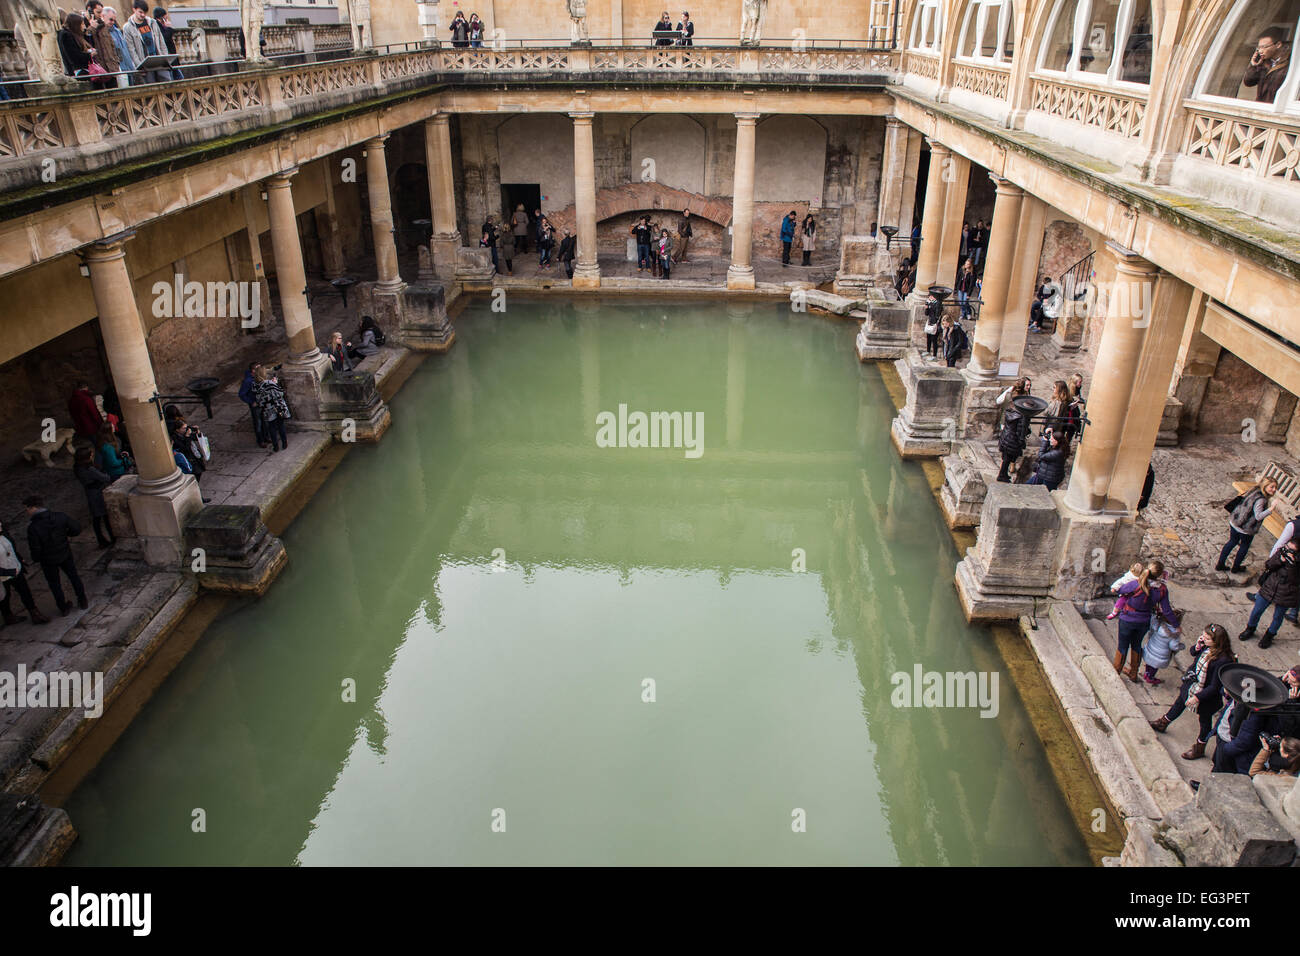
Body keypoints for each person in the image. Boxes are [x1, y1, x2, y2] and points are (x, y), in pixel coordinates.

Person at [1149, 623, 1234, 760]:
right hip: (1192, 684)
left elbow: (1214, 686)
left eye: (1207, 638)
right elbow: (1193, 653)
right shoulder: (1206, 647)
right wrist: (1198, 645)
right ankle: (1162, 723)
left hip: (1205, 696)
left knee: (1205, 721)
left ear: (1217, 641)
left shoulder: (1223, 661)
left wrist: (1198, 697)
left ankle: (1200, 747)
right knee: (1179, 703)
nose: (1203, 639)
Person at [24, 495, 88, 615]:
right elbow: (76, 528)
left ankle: (63, 607)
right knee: (73, 576)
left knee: (55, 584)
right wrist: (66, 535)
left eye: (27, 509)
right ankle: (82, 599)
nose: (27, 512)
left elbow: (35, 548)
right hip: (64, 552)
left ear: (32, 508)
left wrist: (37, 558)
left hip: (48, 560)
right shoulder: (60, 517)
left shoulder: (33, 528)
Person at [1239, 537, 1300, 649]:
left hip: (1286, 593)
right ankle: (1250, 629)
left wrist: (1291, 565)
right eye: (1287, 547)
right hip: (1270, 586)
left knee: (1278, 616)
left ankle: (1269, 636)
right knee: (1257, 610)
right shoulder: (1282, 552)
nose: (1287, 550)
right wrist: (1280, 560)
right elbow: (1269, 565)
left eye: (1291, 550)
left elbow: (1295, 580)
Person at [1216, 475, 1277, 573]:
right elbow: (1258, 516)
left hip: (1236, 521)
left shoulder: (1254, 490)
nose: (1274, 490)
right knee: (1244, 546)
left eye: (1275, 487)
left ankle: (1220, 564)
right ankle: (1236, 567)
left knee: (1232, 542)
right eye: (1272, 487)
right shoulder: (1261, 500)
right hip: (1246, 527)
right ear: (1265, 486)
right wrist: (1271, 508)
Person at [74, 446, 116, 549]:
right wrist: (104, 473)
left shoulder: (77, 467)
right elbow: (105, 478)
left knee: (97, 518)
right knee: (104, 517)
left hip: (90, 492)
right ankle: (111, 538)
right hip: (97, 494)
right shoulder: (89, 469)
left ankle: (102, 540)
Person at [123, 0, 170, 83]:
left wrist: (166, 59)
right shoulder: (128, 27)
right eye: (140, 12)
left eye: (145, 12)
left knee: (167, 83)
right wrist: (139, 66)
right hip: (145, 64)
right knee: (151, 87)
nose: (143, 15)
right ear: (134, 9)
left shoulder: (152, 22)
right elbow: (131, 50)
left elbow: (161, 42)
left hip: (159, 60)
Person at [1243, 26, 1289, 105]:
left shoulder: (1289, 62)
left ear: (1278, 45)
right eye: (1258, 47)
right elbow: (1248, 82)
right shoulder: (1263, 62)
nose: (1260, 51)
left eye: (1264, 47)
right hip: (1261, 107)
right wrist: (1254, 66)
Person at [1140, 607, 1184, 685]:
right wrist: (1181, 646)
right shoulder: (1175, 633)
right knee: (1154, 666)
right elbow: (1173, 646)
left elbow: (1152, 622)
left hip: (1151, 647)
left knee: (1149, 662)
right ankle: (1150, 677)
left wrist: (1156, 614)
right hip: (1161, 655)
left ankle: (1146, 673)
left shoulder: (1159, 624)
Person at [253, 366, 291, 453]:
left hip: (267, 410)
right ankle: (284, 443)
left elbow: (259, 399)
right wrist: (276, 383)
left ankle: (275, 446)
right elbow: (280, 393)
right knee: (280, 426)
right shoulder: (269, 383)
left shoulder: (255, 386)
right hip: (277, 408)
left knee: (272, 428)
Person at [1027, 428, 1069, 492]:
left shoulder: (1058, 453)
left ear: (1058, 441)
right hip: (1043, 474)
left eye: (1052, 439)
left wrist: (1044, 442)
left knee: (1046, 493)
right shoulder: (1056, 447)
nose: (1050, 440)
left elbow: (1041, 456)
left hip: (1050, 478)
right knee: (1027, 485)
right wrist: (1049, 430)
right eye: (1050, 438)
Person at [238, 361, 269, 448]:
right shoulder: (248, 381)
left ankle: (266, 436)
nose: (260, 370)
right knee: (258, 423)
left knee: (265, 420)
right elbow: (241, 394)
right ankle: (260, 440)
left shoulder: (260, 377)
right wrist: (252, 402)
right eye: (258, 368)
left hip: (262, 402)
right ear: (253, 370)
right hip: (256, 405)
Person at [995, 402, 1027, 484]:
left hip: (1006, 437)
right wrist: (1021, 442)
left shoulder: (1011, 413)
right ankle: (1002, 475)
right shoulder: (1021, 417)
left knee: (1006, 458)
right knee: (1007, 459)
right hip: (1013, 440)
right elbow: (1020, 432)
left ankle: (1004, 474)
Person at [103, 7, 135, 87]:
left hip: (128, 68)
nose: (113, 22)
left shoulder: (117, 31)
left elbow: (125, 50)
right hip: (118, 70)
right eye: (110, 19)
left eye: (114, 20)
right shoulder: (103, 33)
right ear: (103, 16)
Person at [58, 12, 97, 78]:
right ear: (76, 25)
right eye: (82, 24)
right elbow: (74, 56)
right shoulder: (67, 36)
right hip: (78, 71)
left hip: (83, 69)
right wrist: (90, 55)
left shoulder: (77, 35)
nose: (84, 26)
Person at [151, 7, 181, 78]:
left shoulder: (162, 26)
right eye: (165, 18)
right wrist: (169, 28)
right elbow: (165, 39)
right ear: (161, 18)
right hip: (168, 60)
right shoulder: (157, 27)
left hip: (172, 59)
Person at [923, 292, 942, 359]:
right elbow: (926, 314)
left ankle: (934, 355)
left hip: (935, 323)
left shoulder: (938, 303)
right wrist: (927, 308)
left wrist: (931, 307)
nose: (929, 298)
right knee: (928, 338)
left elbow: (937, 315)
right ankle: (928, 351)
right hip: (930, 321)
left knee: (934, 340)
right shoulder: (930, 303)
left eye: (930, 296)